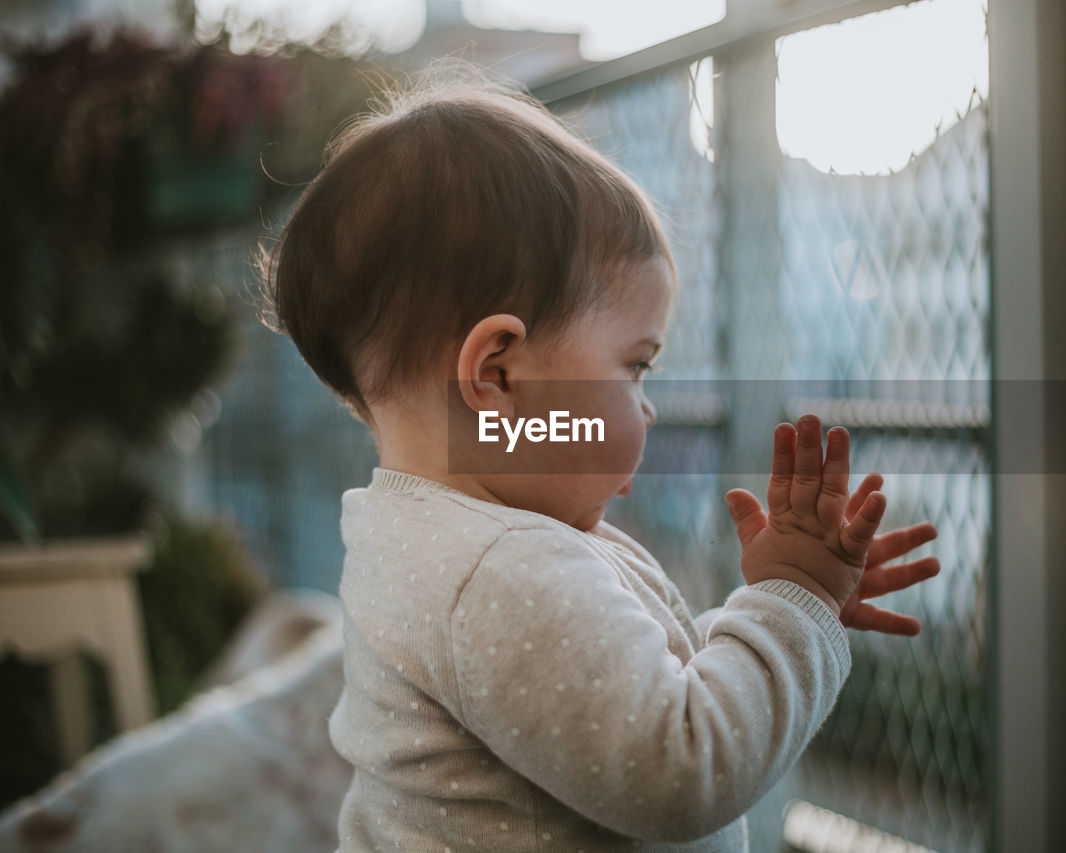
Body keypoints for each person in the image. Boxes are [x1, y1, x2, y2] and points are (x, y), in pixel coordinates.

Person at [259, 68, 941, 852]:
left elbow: (628, 692)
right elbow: (687, 765)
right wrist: (794, 602)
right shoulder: (495, 571)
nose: (647, 405)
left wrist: (793, 605)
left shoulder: (452, 540)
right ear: (497, 374)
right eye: (636, 364)